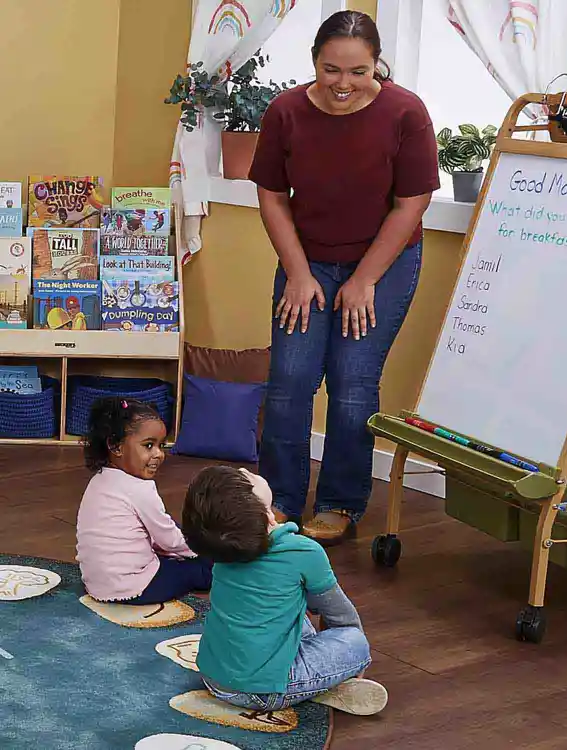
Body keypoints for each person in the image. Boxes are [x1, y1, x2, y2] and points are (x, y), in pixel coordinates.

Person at [251, 10, 439, 544]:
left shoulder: (405, 113)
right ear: (314, 62)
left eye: (358, 71)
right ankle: (279, 499)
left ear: (376, 63)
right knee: (289, 381)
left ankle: (340, 501)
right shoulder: (286, 112)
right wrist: (297, 272)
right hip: (306, 259)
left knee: (353, 384)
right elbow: (271, 194)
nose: (343, 84)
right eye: (331, 69)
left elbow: (411, 204)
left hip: (385, 260)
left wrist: (364, 281)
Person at [181, 465, 387, 716]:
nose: (246, 469)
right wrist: (350, 659)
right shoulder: (303, 551)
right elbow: (341, 617)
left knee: (288, 614)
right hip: (261, 692)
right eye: (247, 478)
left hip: (213, 676)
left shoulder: (223, 548)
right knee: (355, 641)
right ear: (268, 517)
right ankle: (317, 687)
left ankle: (311, 685)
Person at [76, 397, 212, 604]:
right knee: (200, 568)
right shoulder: (140, 488)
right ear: (115, 445)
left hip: (97, 583)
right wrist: (203, 549)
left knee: (170, 531)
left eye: (161, 445)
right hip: (137, 587)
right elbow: (169, 540)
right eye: (148, 445)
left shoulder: (99, 480)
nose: (159, 454)